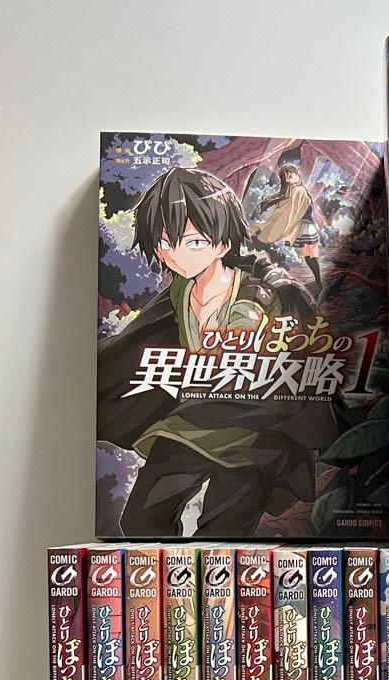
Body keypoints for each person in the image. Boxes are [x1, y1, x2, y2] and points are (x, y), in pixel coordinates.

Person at [97, 166, 339, 537]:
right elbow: (142, 342)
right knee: (140, 523)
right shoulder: (179, 292)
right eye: (164, 243)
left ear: (223, 244)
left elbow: (250, 348)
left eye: (193, 242)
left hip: (251, 440)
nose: (176, 255)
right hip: (188, 429)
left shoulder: (255, 298)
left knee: (223, 536)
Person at [253, 163, 326, 289]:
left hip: (306, 227)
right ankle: (319, 282)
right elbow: (289, 211)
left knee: (311, 256)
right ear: (285, 180)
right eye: (288, 176)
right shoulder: (294, 192)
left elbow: (293, 210)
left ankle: (319, 282)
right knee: (310, 256)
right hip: (304, 227)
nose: (293, 177)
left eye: (293, 174)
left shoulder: (298, 191)